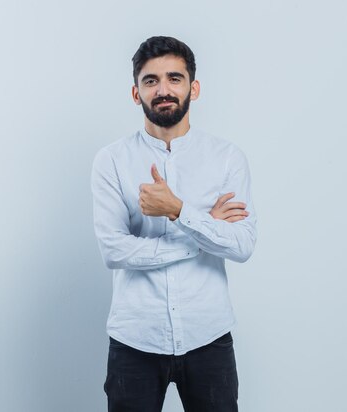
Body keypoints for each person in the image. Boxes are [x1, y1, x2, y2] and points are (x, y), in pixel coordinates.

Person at [90, 36, 257, 412]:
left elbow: (242, 245)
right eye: (151, 81)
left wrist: (178, 210)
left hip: (208, 337)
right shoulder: (112, 161)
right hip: (135, 339)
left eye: (174, 78)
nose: (163, 90)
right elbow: (114, 250)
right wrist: (202, 234)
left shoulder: (227, 158)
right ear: (136, 93)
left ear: (193, 88)